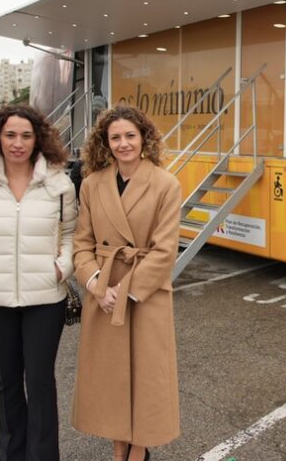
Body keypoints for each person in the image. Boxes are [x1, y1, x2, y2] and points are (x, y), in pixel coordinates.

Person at [0, 105, 77, 461]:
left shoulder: (59, 184)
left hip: (45, 298)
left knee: (40, 384)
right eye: (10, 134)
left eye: (26, 135)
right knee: (7, 384)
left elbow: (71, 233)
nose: (18, 143)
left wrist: (62, 267)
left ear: (38, 138)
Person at [73, 105, 181, 461]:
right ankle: (118, 442)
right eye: (115, 137)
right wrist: (96, 286)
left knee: (146, 374)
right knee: (110, 375)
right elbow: (81, 244)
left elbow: (165, 250)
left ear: (144, 138)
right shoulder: (91, 184)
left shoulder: (166, 184)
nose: (123, 144)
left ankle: (139, 446)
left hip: (144, 294)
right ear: (105, 142)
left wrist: (126, 292)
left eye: (130, 136)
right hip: (103, 291)